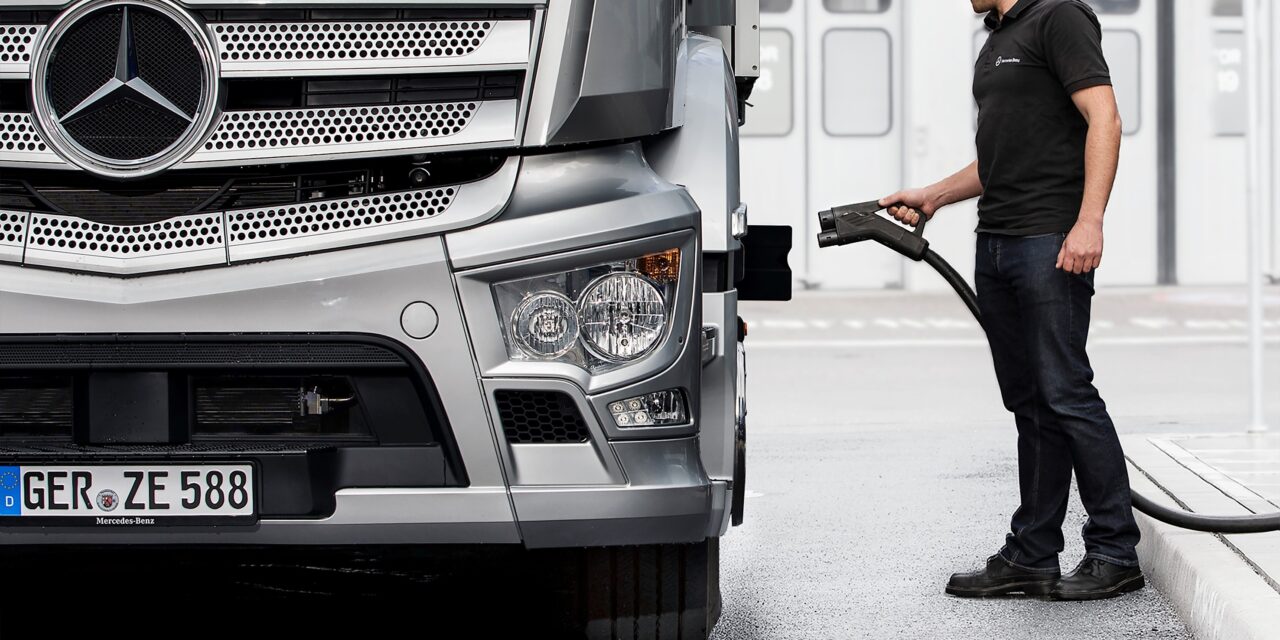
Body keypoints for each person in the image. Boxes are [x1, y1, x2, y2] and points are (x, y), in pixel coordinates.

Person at [880, 0, 1144, 601]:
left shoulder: (1060, 18)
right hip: (997, 242)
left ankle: (1114, 549)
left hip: (1049, 241)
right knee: (1030, 402)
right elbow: (1000, 156)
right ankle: (1033, 553)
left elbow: (1104, 118)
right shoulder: (997, 39)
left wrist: (1090, 221)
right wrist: (934, 195)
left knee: (1066, 393)